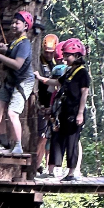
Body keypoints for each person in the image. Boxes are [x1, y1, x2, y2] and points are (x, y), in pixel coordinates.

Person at [0, 9, 36, 157]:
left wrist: (0, 57)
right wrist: (5, 50)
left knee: (12, 112)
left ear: (26, 26)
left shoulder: (25, 43)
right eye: (13, 22)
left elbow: (18, 64)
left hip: (23, 82)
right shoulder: (16, 42)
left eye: (18, 23)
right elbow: (13, 53)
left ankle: (18, 146)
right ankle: (3, 143)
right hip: (11, 81)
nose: (14, 25)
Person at [45, 38, 90, 182]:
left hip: (75, 111)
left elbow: (84, 93)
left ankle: (71, 172)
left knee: (72, 141)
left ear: (77, 56)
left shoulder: (82, 73)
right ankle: (54, 169)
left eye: (67, 56)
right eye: (64, 55)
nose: (64, 59)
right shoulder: (70, 71)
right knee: (58, 139)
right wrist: (40, 78)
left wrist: (80, 113)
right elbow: (58, 82)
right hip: (64, 111)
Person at [33, 34, 60, 176]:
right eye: (46, 52)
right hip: (40, 104)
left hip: (51, 105)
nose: (49, 55)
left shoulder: (55, 64)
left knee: (46, 137)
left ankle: (41, 164)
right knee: (40, 136)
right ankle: (35, 165)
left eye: (51, 52)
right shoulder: (38, 63)